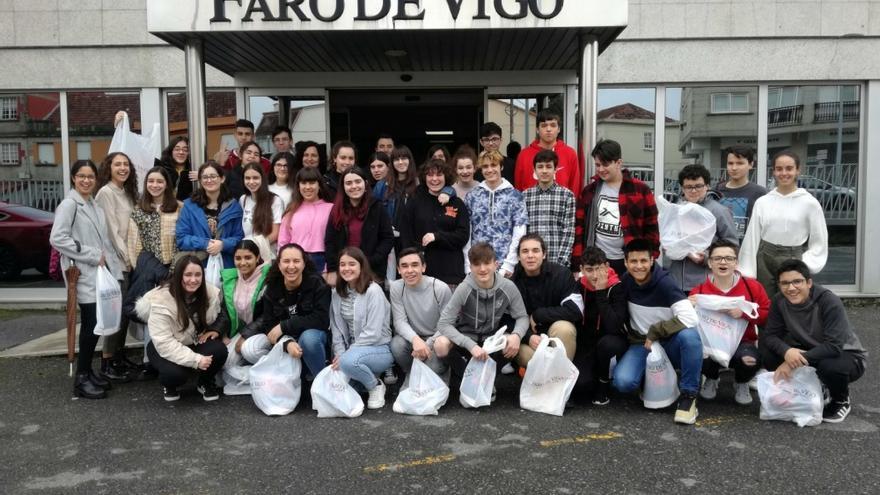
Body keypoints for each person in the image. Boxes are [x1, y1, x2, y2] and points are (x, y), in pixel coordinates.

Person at [50, 160, 124, 399]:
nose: (86, 181)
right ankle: (81, 379)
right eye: (81, 176)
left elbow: (104, 243)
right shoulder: (69, 205)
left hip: (98, 275)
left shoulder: (93, 204)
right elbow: (58, 238)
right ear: (73, 178)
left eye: (90, 177)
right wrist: (92, 255)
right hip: (81, 273)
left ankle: (87, 371)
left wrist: (114, 270)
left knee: (96, 325)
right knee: (91, 325)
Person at [761, 259, 867, 423]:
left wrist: (791, 362)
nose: (791, 288)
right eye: (785, 283)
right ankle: (806, 388)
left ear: (809, 282)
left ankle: (840, 399)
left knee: (830, 367)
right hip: (807, 349)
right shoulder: (779, 301)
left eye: (797, 282)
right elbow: (770, 336)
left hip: (846, 355)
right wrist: (787, 352)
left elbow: (834, 346)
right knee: (768, 355)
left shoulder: (828, 301)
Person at [612, 239, 702, 425]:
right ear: (626, 262)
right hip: (641, 343)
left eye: (644, 261)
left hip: (669, 342)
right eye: (634, 262)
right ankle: (652, 379)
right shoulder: (625, 281)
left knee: (690, 337)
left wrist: (656, 331)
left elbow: (690, 318)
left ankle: (689, 395)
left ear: (652, 261)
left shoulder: (665, 283)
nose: (639, 266)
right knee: (623, 382)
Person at [436, 243, 529, 401]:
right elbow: (443, 324)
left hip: (491, 338)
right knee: (440, 345)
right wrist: (469, 345)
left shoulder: (508, 286)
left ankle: (488, 379)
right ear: (470, 266)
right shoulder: (464, 288)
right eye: (477, 264)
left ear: (495, 264)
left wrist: (517, 335)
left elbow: (522, 317)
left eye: (487, 263)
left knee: (511, 343)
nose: (482, 269)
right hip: (467, 338)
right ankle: (468, 376)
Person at [135, 255, 229, 402]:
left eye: (198, 275)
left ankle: (204, 381)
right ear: (179, 275)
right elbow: (165, 343)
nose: (193, 280)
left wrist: (216, 329)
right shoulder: (159, 301)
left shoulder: (210, 292)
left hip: (194, 341)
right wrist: (195, 360)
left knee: (219, 350)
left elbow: (222, 315)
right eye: (188, 275)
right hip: (163, 346)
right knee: (175, 374)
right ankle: (169, 385)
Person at [689, 239, 770, 405]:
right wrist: (689, 306)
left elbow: (768, 315)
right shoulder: (700, 291)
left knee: (750, 361)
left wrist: (744, 314)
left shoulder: (752, 287)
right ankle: (712, 378)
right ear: (710, 263)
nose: (723, 262)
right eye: (717, 258)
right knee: (699, 354)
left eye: (729, 258)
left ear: (736, 263)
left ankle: (741, 381)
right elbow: (687, 321)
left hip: (743, 343)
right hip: (712, 342)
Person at [236, 243, 331, 381]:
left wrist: (284, 326)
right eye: (286, 261)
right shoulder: (272, 287)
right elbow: (269, 324)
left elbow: (321, 319)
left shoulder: (317, 284)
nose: (291, 266)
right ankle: (282, 374)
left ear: (304, 264)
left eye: (296, 261)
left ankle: (322, 381)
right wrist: (286, 344)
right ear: (279, 265)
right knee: (250, 348)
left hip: (311, 335)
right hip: (285, 338)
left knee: (309, 339)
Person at [739, 150, 828, 298]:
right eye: (779, 169)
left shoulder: (809, 203)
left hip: (793, 257)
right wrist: (747, 269)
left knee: (792, 303)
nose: (784, 173)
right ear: (773, 171)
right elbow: (752, 237)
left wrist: (805, 262)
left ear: (798, 170)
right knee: (765, 302)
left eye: (789, 168)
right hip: (765, 258)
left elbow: (819, 239)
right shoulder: (764, 202)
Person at [573, 139, 659, 276]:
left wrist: (649, 258)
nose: (601, 169)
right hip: (597, 260)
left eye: (605, 164)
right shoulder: (590, 191)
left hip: (629, 260)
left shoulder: (640, 190)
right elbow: (579, 227)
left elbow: (652, 227)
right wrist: (578, 263)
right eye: (597, 165)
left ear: (618, 163)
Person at [126, 166, 182, 375]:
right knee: (152, 315)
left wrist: (175, 271)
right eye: (151, 181)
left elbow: (182, 240)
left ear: (166, 184)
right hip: (149, 270)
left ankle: (174, 357)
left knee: (174, 314)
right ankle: (150, 359)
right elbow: (134, 244)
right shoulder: (139, 210)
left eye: (159, 181)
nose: (155, 185)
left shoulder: (179, 207)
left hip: (174, 270)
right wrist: (145, 270)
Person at [94, 151, 139, 382]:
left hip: (130, 260)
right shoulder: (106, 193)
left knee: (125, 314)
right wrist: (128, 259)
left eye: (126, 164)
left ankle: (119, 357)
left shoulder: (128, 192)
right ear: (108, 168)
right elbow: (112, 231)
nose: (123, 168)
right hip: (117, 262)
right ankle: (107, 362)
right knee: (116, 313)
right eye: (117, 164)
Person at [329, 247, 393, 409]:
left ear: (361, 266)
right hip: (352, 351)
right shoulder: (337, 292)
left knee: (348, 363)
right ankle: (361, 380)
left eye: (352, 264)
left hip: (379, 349)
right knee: (341, 391)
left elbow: (373, 333)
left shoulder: (373, 291)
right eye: (342, 264)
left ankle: (375, 385)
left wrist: (345, 357)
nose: (346, 268)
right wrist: (340, 354)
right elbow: (336, 329)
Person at [511, 235, 583, 373]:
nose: (530, 255)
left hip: (557, 336)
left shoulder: (561, 274)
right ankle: (541, 383)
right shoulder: (512, 282)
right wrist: (528, 336)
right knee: (526, 354)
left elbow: (576, 310)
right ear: (519, 256)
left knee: (565, 328)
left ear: (544, 254)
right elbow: (505, 319)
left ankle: (560, 381)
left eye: (535, 250)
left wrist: (539, 315)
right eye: (525, 251)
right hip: (530, 339)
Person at [666, 164, 738, 293]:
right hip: (675, 280)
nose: (693, 191)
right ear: (682, 188)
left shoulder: (719, 211)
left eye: (698, 186)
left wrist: (706, 257)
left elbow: (732, 244)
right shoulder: (676, 209)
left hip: (704, 282)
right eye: (688, 187)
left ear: (707, 186)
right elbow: (667, 237)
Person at [399, 159, 470, 286]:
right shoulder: (414, 202)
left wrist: (437, 236)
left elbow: (463, 236)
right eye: (430, 175)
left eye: (439, 175)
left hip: (451, 273)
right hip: (422, 273)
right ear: (424, 178)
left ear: (446, 177)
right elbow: (406, 234)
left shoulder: (457, 203)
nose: (434, 179)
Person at [324, 167, 394, 287]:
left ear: (366, 184)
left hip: (372, 271)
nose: (354, 186)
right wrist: (332, 269)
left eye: (358, 181)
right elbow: (330, 241)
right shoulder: (336, 210)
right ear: (343, 187)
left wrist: (369, 261)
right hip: (344, 271)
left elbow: (387, 239)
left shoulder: (377, 207)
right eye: (349, 183)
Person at [389, 248, 453, 380]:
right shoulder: (396, 287)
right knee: (396, 345)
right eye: (404, 266)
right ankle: (411, 372)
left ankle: (440, 370)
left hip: (437, 339)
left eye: (415, 265)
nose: (410, 270)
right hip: (415, 339)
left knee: (434, 366)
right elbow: (399, 321)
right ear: (399, 270)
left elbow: (447, 324)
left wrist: (427, 344)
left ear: (423, 267)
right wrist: (416, 340)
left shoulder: (440, 288)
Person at [578, 247, 628, 406]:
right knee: (581, 386)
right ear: (581, 270)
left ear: (607, 266)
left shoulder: (617, 287)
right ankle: (592, 374)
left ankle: (603, 382)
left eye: (599, 269)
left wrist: (600, 292)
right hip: (588, 340)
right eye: (589, 270)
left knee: (606, 344)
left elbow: (614, 325)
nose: (594, 275)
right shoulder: (579, 286)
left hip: (613, 339)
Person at [465, 150, 528, 277]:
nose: (490, 170)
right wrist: (468, 264)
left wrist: (510, 263)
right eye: (485, 166)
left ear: (501, 167)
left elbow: (520, 231)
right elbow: (467, 231)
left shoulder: (515, 196)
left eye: (493, 165)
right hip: (478, 263)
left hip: (505, 264)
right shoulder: (472, 196)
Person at [176, 161, 245, 268]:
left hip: (226, 266)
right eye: (205, 177)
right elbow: (181, 238)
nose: (209, 180)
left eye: (213, 176)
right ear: (200, 180)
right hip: (197, 266)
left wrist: (223, 244)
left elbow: (239, 237)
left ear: (222, 179)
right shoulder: (189, 206)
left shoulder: (234, 207)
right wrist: (205, 243)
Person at [522, 149, 576, 267]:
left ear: (555, 169)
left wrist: (561, 263)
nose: (544, 171)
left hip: (556, 260)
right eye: (540, 167)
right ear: (534, 170)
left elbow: (568, 231)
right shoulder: (525, 196)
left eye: (548, 166)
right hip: (531, 261)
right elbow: (522, 231)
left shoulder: (567, 196)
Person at [278, 167, 335, 272]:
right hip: (296, 261)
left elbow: (336, 242)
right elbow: (283, 242)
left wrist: (330, 268)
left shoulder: (331, 208)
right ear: (298, 186)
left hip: (323, 260)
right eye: (303, 183)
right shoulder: (291, 211)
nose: (308, 187)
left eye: (312, 183)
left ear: (319, 185)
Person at [514, 110, 581, 194]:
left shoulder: (570, 153)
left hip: (562, 206)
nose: (548, 129)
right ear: (537, 130)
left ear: (559, 129)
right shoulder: (524, 155)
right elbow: (518, 188)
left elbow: (574, 187)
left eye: (553, 125)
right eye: (544, 125)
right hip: (530, 205)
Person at [714, 145, 767, 242]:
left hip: (747, 249)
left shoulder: (760, 193)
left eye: (740, 163)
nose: (734, 168)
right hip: (720, 250)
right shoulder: (717, 190)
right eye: (730, 163)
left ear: (751, 164)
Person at [219, 240, 271, 340]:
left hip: (263, 331)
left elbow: (267, 314)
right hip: (239, 331)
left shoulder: (267, 279)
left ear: (257, 258)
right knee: (227, 354)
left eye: (248, 258)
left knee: (248, 351)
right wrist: (222, 333)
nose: (242, 263)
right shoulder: (230, 280)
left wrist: (246, 335)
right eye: (238, 258)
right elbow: (225, 311)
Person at [240, 163, 284, 260]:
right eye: (247, 178)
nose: (251, 182)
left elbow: (275, 233)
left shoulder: (274, 200)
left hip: (267, 255)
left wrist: (256, 247)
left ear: (262, 179)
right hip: (247, 256)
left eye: (255, 178)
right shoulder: (243, 199)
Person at [156, 136, 195, 201]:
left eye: (185, 150)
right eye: (177, 149)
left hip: (186, 209)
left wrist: (201, 176)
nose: (181, 152)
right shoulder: (161, 168)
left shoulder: (193, 170)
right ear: (171, 151)